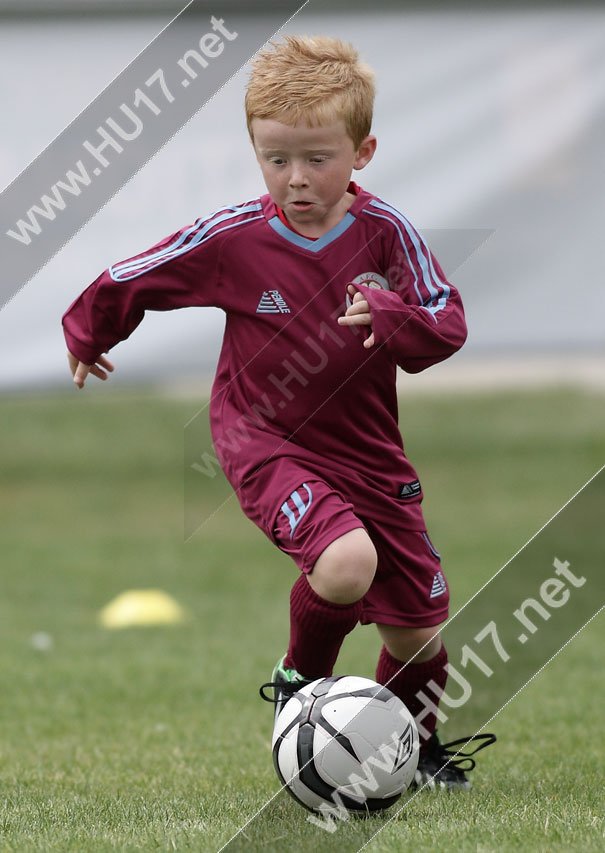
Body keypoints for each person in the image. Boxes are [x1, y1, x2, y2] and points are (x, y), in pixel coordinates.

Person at [62, 35, 494, 790]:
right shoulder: (236, 237)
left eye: (316, 159)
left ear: (362, 152)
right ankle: (300, 691)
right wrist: (89, 331)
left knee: (419, 634)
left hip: (367, 452)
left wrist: (388, 313)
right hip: (261, 438)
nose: (295, 179)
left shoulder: (385, 234)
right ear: (257, 152)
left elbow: (444, 324)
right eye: (275, 159)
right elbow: (141, 273)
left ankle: (410, 745)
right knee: (345, 561)